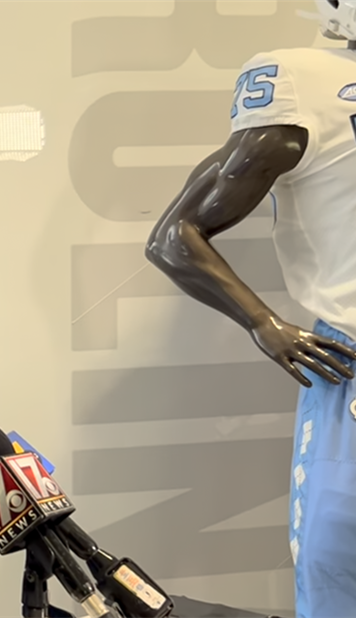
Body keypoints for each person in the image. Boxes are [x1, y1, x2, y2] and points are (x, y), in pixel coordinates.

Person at [145, 3, 356, 615]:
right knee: (337, 578)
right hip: (348, 368)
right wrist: (266, 324)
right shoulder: (307, 83)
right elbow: (174, 235)